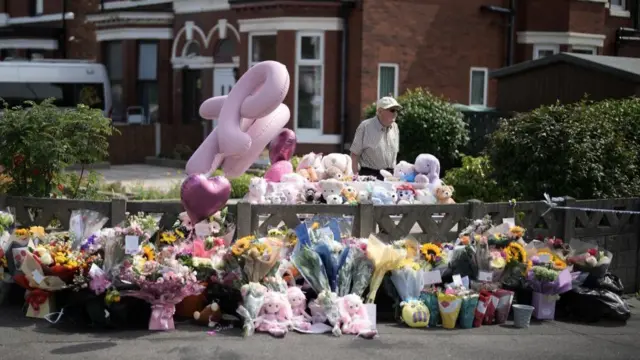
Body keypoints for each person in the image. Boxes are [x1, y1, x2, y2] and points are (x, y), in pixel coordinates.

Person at [349, 96, 401, 180]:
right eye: (392, 110)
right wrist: (356, 178)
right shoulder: (365, 126)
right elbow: (354, 154)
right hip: (370, 176)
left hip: (390, 177)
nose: (395, 113)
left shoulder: (395, 127)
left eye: (396, 110)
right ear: (380, 111)